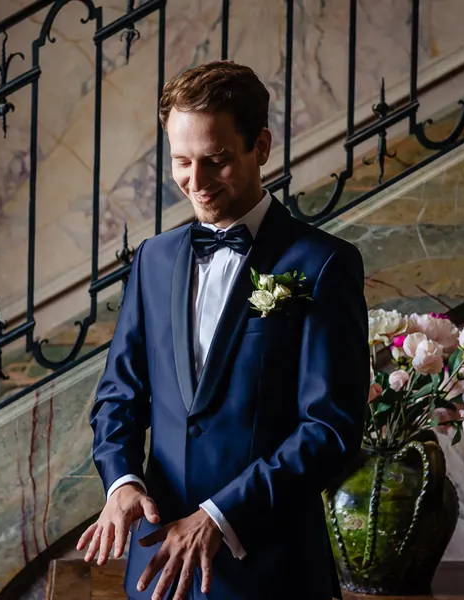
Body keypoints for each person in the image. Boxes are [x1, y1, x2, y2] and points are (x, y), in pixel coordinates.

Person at [77, 61, 369, 600]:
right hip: (157, 570)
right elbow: (120, 395)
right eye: (182, 162)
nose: (198, 182)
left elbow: (331, 428)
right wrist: (121, 481)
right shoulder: (153, 259)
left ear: (261, 145)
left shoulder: (324, 264)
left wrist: (220, 516)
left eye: (217, 161)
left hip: (272, 572)